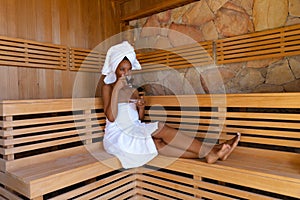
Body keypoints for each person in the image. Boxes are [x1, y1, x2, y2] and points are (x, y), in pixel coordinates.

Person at [101, 41, 240, 169]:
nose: (126, 73)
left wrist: (141, 108)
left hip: (134, 129)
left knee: (160, 143)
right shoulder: (108, 88)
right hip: (118, 137)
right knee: (158, 137)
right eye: (122, 69)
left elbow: (138, 120)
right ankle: (211, 150)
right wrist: (117, 89)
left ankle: (211, 152)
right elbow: (111, 117)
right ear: (114, 69)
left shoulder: (133, 91)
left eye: (129, 69)